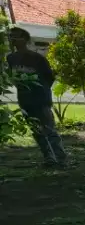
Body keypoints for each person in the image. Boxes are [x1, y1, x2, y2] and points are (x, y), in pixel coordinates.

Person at [6, 27, 67, 165]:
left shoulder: (37, 58)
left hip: (40, 99)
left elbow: (49, 77)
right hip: (24, 99)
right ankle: (49, 158)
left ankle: (60, 157)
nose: (13, 39)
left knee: (49, 129)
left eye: (16, 36)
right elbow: (13, 78)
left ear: (25, 39)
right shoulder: (11, 58)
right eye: (11, 36)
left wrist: (40, 90)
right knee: (36, 131)